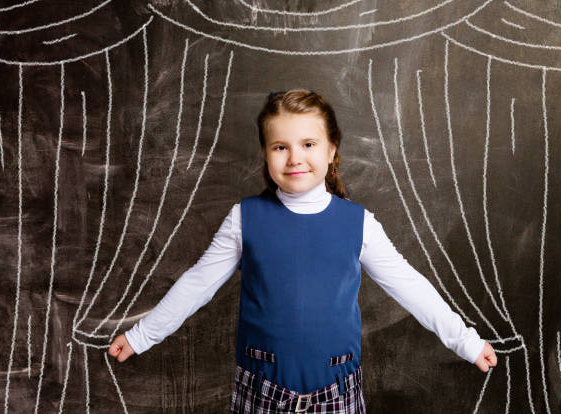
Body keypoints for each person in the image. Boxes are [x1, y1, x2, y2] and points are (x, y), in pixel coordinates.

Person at [108, 89, 497, 413]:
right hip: (261, 393)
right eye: (281, 146)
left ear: (331, 151)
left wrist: (465, 340)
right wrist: (142, 336)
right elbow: (198, 284)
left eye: (308, 144)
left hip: (337, 394)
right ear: (265, 154)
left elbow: (408, 285)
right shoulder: (245, 218)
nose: (295, 157)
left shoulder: (358, 223)